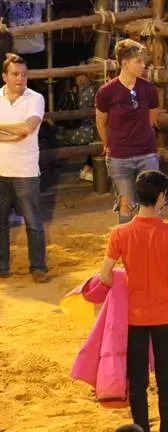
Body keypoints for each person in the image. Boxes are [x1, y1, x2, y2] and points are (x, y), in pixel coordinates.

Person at [99, 170, 168, 432]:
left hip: (133, 318)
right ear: (160, 197)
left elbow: (105, 275)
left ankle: (141, 429)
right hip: (165, 315)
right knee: (166, 379)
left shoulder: (120, 233)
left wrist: (120, 288)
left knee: (138, 381)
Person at [95, 39, 160, 224]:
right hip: (119, 156)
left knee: (151, 202)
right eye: (138, 61)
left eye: (143, 61)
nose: (143, 65)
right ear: (125, 63)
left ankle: (149, 238)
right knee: (126, 203)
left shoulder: (148, 88)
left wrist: (142, 132)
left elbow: (153, 115)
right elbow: (101, 121)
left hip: (146, 152)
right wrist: (108, 144)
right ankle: (126, 239)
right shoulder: (106, 91)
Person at [0, 53, 48, 283]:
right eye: (15, 74)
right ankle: (2, 267)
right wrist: (14, 133)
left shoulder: (35, 98)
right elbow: (20, 130)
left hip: (25, 171)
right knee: (0, 223)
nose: (20, 79)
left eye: (24, 74)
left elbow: (27, 128)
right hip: (0, 170)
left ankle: (38, 267)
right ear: (4, 76)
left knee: (33, 222)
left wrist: (6, 130)